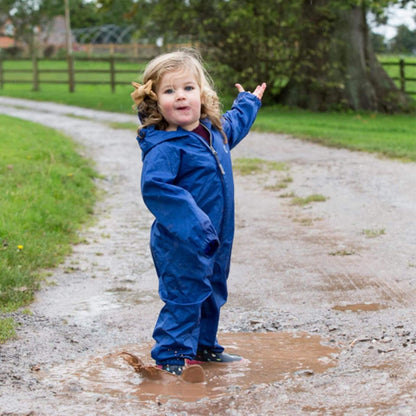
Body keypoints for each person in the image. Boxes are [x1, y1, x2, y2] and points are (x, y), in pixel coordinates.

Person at [131, 49, 266, 376]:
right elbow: (158, 190)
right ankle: (171, 357)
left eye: (188, 88)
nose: (180, 96)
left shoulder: (213, 131)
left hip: (217, 238)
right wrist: (198, 230)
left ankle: (203, 347)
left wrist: (248, 103)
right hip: (183, 241)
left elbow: (234, 125)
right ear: (155, 101)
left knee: (212, 290)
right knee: (185, 294)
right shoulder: (165, 146)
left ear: (202, 93)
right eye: (169, 91)